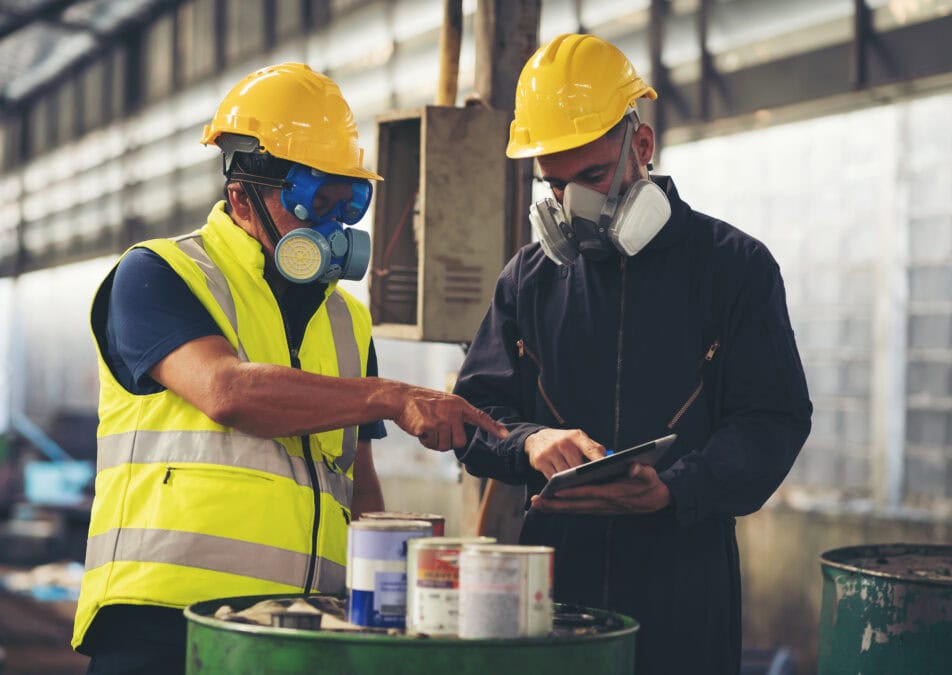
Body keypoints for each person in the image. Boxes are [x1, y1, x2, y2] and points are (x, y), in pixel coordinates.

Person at [72, 62, 507, 674]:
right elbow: (226, 391)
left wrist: (396, 590)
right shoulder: (160, 274)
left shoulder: (346, 321)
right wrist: (387, 395)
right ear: (240, 197)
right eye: (311, 205)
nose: (329, 228)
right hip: (166, 628)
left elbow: (357, 476)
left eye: (342, 206)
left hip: (298, 635)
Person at [453, 34, 811, 675]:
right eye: (553, 185)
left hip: (685, 586)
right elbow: (474, 411)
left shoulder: (735, 270)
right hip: (553, 592)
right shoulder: (528, 280)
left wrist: (675, 491)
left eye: (591, 176)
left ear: (640, 147)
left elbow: (773, 420)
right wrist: (529, 441)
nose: (571, 205)